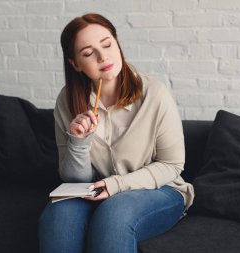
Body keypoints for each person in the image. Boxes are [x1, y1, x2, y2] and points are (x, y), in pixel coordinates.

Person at [38, 13, 194, 253]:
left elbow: (172, 164)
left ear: (118, 44)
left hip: (159, 189)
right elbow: (74, 180)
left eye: (108, 44)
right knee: (58, 216)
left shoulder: (155, 94)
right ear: (75, 64)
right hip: (95, 190)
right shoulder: (66, 101)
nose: (103, 56)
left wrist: (116, 185)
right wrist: (79, 142)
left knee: (115, 213)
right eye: (89, 53)